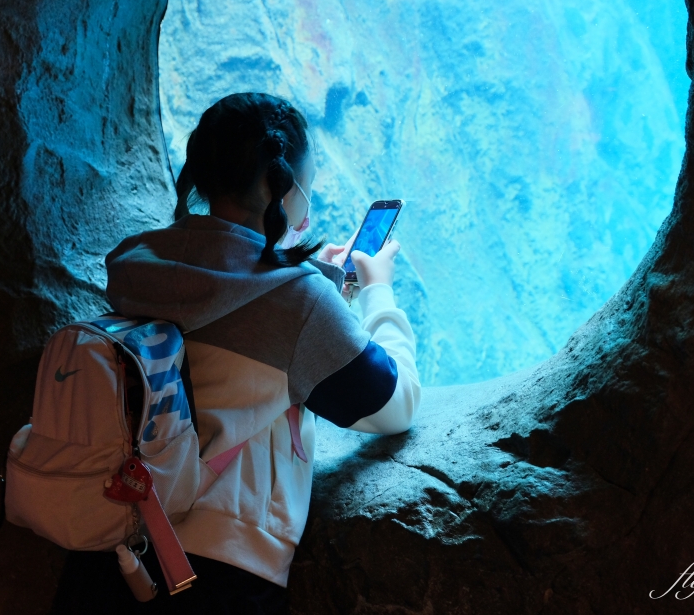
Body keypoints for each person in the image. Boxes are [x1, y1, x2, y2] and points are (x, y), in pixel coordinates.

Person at [52, 92, 419, 614]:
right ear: (282, 186)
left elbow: (236, 312)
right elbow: (395, 404)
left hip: (106, 551)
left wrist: (321, 294)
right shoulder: (298, 300)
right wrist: (377, 291)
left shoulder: (137, 262)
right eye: (305, 187)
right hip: (218, 575)